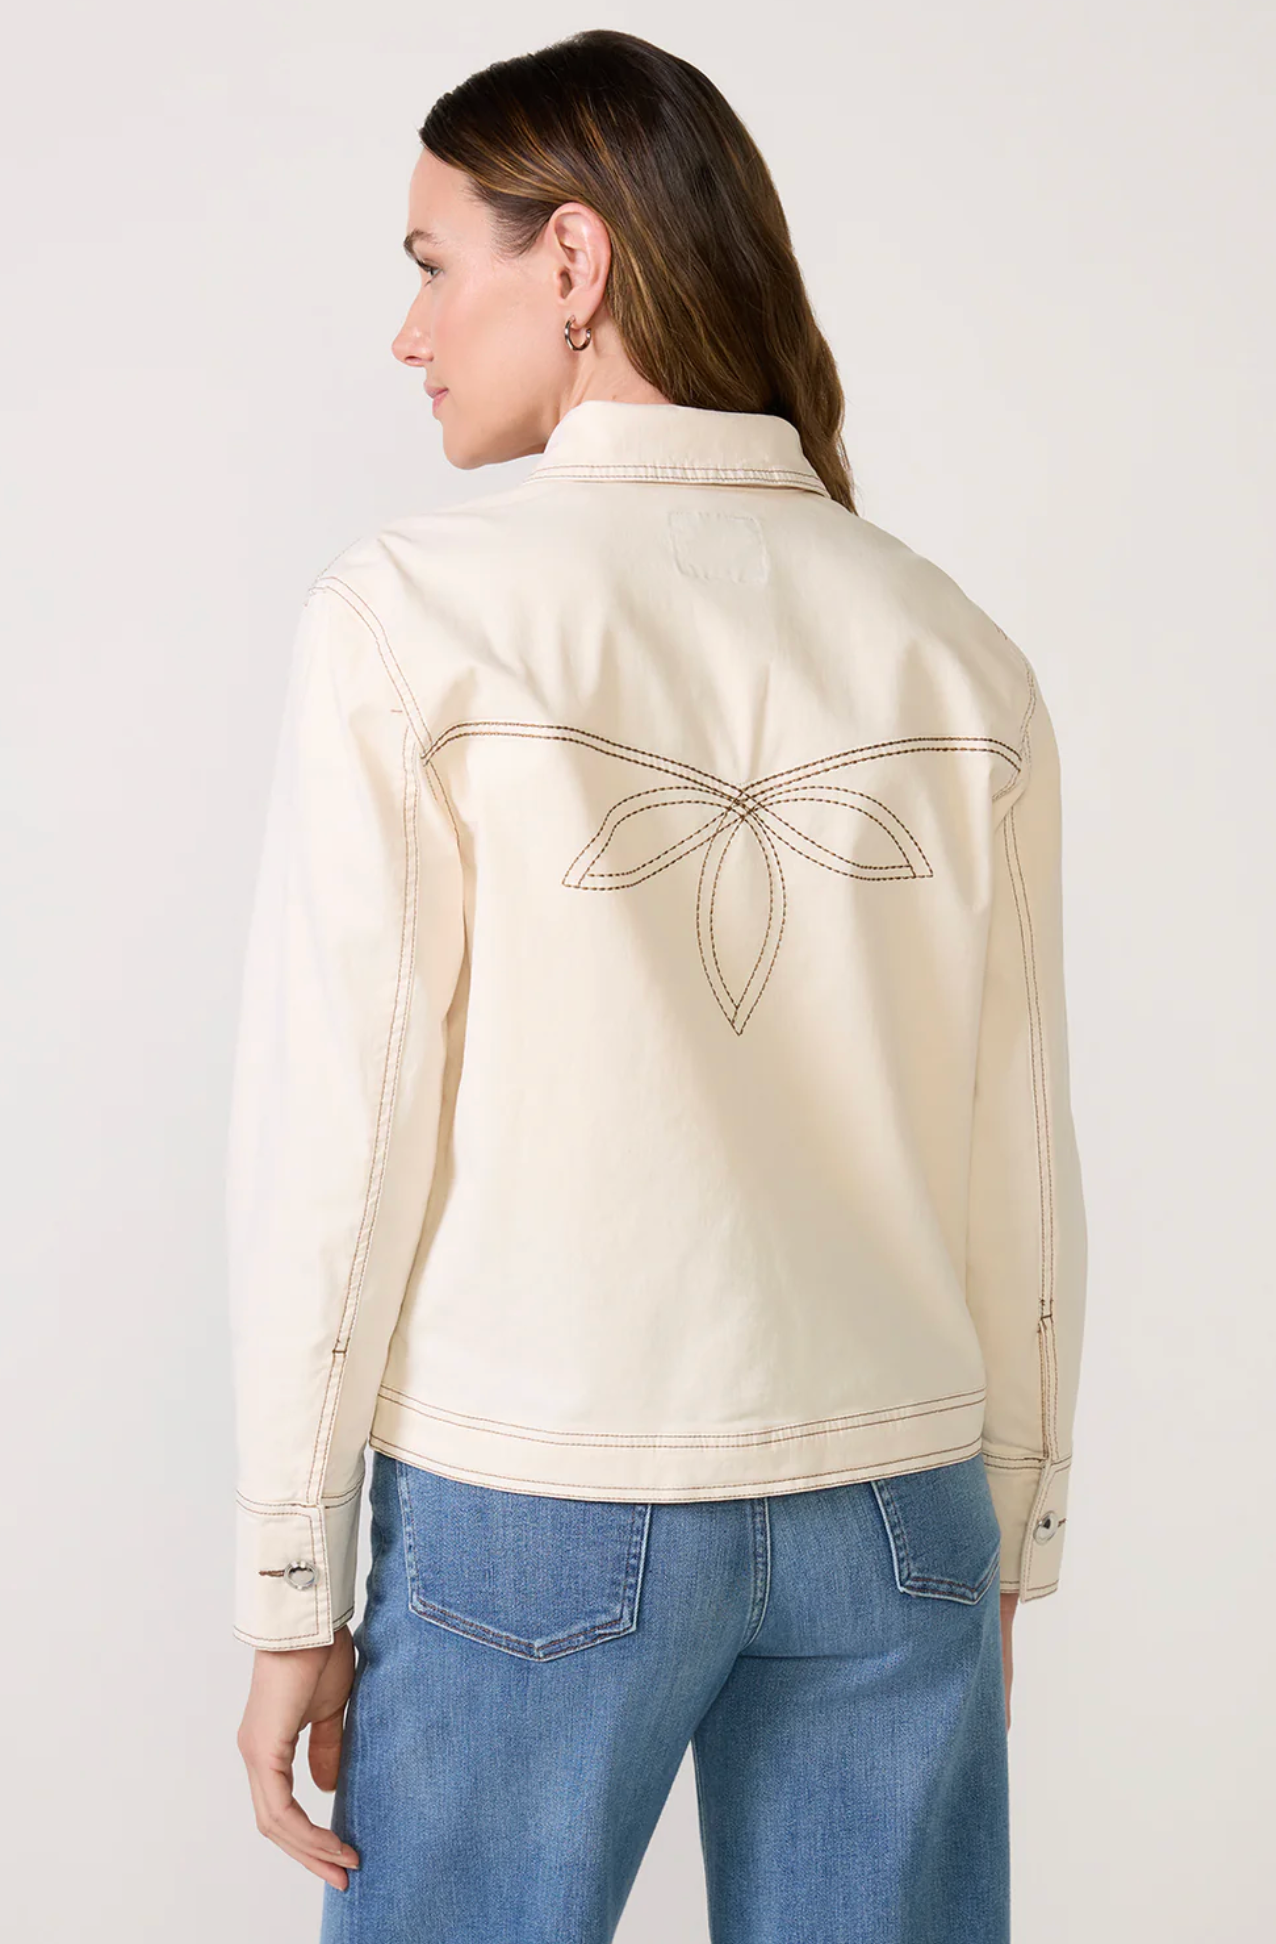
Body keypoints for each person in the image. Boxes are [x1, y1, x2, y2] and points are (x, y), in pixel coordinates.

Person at [229, 28, 1087, 1944]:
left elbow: (338, 1143)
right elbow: (1018, 1152)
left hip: (538, 1498)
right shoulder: (953, 649)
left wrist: (291, 1584)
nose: (409, 333)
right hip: (899, 1504)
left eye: (432, 265)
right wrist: (1006, 1530)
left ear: (574, 259)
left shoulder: (414, 617)